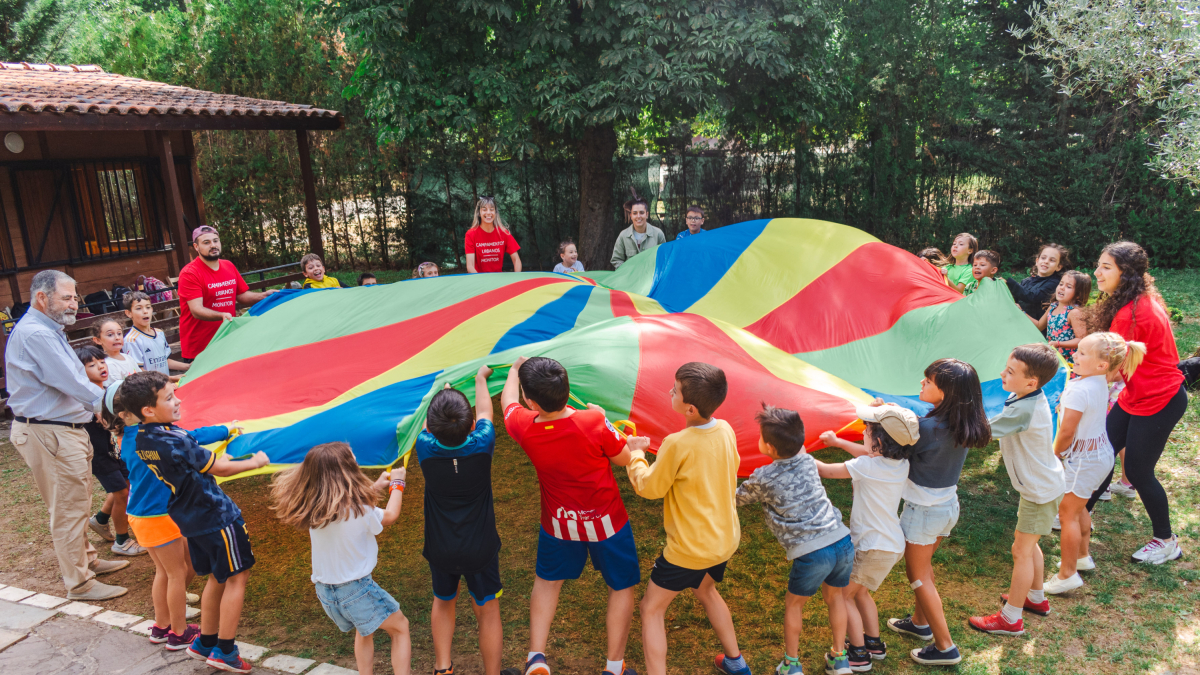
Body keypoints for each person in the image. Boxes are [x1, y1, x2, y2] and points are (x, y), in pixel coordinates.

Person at [500, 356, 638, 675]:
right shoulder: (592, 422)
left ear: (530, 401)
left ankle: (536, 658)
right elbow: (624, 458)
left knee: (547, 583)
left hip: (559, 523)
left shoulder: (523, 426)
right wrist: (602, 419)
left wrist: (512, 371)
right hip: (607, 522)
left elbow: (507, 402)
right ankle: (614, 667)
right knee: (620, 586)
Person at [124, 370, 269, 672]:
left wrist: (220, 432)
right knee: (237, 577)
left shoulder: (142, 439)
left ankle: (205, 641)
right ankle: (225, 651)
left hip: (189, 517)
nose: (177, 400)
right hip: (216, 515)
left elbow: (192, 445)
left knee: (218, 575)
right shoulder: (175, 439)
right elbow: (221, 468)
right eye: (169, 397)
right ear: (148, 410)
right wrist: (256, 461)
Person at [5, 270, 127, 600]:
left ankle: (86, 560)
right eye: (66, 297)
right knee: (68, 509)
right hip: (50, 432)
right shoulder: (37, 334)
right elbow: (72, 382)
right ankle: (80, 583)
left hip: (62, 431)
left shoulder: (48, 329)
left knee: (75, 500)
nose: (74, 303)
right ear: (42, 298)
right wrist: (108, 406)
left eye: (75, 296)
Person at [625, 363, 747, 675]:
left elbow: (649, 487)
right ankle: (736, 662)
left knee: (651, 609)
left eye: (674, 390)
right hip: (723, 540)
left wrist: (636, 454)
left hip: (690, 550)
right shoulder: (726, 430)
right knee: (706, 590)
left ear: (689, 408)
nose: (670, 391)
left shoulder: (677, 443)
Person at [1084, 241, 1187, 564]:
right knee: (1102, 452)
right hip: (1135, 395)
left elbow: (1109, 370)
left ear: (1125, 273)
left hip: (1160, 399)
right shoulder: (1135, 302)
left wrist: (1076, 384)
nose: (1097, 273)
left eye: (1106, 267)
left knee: (1140, 471)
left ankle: (1166, 540)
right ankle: (1076, 512)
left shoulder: (1133, 313)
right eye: (1099, 265)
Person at [271, 443, 411, 675]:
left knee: (364, 629)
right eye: (353, 461)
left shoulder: (315, 507)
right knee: (400, 627)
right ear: (345, 472)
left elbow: (351, 507)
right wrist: (398, 483)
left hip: (327, 592)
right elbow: (390, 515)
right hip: (356, 590)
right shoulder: (360, 509)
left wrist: (375, 487)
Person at [886, 359, 991, 666]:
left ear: (945, 392)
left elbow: (892, 449)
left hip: (922, 513)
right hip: (946, 508)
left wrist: (882, 415)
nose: (921, 384)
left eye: (928, 381)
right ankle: (920, 624)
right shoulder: (965, 425)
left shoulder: (927, 429)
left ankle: (945, 647)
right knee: (926, 568)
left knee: (918, 576)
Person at [737, 404, 853, 675]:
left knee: (794, 604)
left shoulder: (764, 477)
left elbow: (736, 499)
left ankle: (791, 665)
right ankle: (840, 658)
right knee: (836, 598)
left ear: (770, 448)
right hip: (841, 541)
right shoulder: (808, 460)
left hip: (813, 553)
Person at [816, 405, 921, 672]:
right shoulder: (900, 463)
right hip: (890, 544)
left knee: (844, 595)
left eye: (868, 430)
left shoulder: (867, 466)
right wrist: (839, 442)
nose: (863, 432)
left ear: (879, 442)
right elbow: (866, 454)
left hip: (872, 546)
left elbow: (826, 471)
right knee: (860, 593)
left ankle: (859, 654)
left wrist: (794, 454)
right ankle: (874, 643)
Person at [967, 344, 1062, 635]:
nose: (1002, 374)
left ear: (1031, 382)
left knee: (1021, 551)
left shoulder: (1023, 409)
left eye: (1010, 372)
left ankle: (1010, 619)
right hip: (1041, 486)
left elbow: (979, 434)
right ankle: (1035, 598)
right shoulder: (1024, 395)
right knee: (1028, 545)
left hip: (1039, 491)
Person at [415, 367, 504, 675]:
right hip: (480, 548)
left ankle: (443, 668)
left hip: (441, 548)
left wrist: (441, 394)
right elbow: (484, 412)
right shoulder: (483, 445)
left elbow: (429, 422)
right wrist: (480, 379)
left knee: (443, 601)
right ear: (469, 426)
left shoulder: (424, 448)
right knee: (488, 610)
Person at [111, 379, 213, 649]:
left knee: (166, 572)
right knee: (176, 573)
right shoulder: (152, 438)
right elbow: (190, 440)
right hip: (158, 515)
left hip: (141, 515)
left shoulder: (132, 437)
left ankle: (161, 626)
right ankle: (179, 632)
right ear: (133, 412)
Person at [1048, 333, 1147, 594]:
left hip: (1083, 460)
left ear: (1103, 364)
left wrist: (1055, 454)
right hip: (1100, 456)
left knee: (1067, 513)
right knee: (1079, 507)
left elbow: (1067, 432)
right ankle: (1081, 556)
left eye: (1081, 353)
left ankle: (1067, 574)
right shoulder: (1101, 381)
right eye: (1077, 351)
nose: (1075, 356)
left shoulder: (1079, 390)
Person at [75, 345, 145, 557]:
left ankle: (101, 519)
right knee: (122, 492)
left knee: (125, 486)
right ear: (80, 371)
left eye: (101, 362)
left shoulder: (105, 391)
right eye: (92, 365)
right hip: (99, 455)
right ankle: (121, 541)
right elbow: (102, 420)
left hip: (114, 451)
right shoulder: (86, 397)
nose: (100, 367)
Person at [178, 226, 276, 362]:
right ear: (196, 247)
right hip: (200, 348)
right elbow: (196, 310)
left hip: (228, 341)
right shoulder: (190, 273)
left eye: (216, 241)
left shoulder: (228, 266)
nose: (213, 245)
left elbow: (241, 296)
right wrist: (221, 315)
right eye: (206, 242)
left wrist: (264, 296)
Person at [123, 291, 191, 380]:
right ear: (129, 313)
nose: (145, 311)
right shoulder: (131, 340)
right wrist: (169, 379)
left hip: (165, 386)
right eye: (139, 308)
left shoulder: (159, 333)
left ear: (152, 309)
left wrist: (188, 366)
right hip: (150, 390)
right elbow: (139, 372)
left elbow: (165, 360)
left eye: (148, 307)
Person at [1032, 271, 1091, 363]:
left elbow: (1081, 340)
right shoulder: (1053, 306)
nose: (1062, 288)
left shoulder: (1074, 313)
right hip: (1055, 360)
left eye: (1069, 287)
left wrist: (1058, 344)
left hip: (1070, 362)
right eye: (1061, 284)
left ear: (1078, 295)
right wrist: (1021, 311)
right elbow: (1039, 325)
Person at [1006, 244, 1068, 320]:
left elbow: (1032, 297)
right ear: (1037, 261)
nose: (1046, 262)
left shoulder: (1055, 283)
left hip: (1038, 329)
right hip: (1020, 323)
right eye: (1043, 258)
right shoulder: (1026, 281)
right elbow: (1014, 299)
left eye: (1052, 260)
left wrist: (1008, 282)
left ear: (1058, 267)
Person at [465, 197, 522, 273]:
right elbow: (470, 266)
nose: (488, 213)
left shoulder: (504, 233)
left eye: (491, 209)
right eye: (484, 209)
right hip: (479, 279)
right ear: (479, 213)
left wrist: (516, 280)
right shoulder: (471, 234)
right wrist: (479, 282)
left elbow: (516, 260)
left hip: (498, 280)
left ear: (495, 212)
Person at [611, 196, 665, 269]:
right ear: (631, 216)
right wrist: (628, 272)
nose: (638, 216)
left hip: (651, 278)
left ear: (647, 214)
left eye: (642, 213)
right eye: (635, 213)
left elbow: (664, 258)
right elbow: (616, 260)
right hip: (630, 278)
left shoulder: (658, 234)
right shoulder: (623, 236)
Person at [92, 317, 141, 384]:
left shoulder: (128, 357)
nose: (117, 338)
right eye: (110, 335)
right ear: (98, 340)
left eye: (119, 333)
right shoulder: (106, 365)